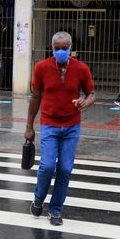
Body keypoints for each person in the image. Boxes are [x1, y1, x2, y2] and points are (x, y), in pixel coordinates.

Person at [25, 31, 95, 226]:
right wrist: (29, 126)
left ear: (71, 48)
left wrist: (85, 102)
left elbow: (92, 94)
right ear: (52, 48)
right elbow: (35, 97)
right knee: (47, 166)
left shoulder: (81, 69)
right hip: (49, 125)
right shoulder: (41, 68)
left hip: (72, 126)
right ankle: (39, 198)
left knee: (65, 168)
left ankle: (56, 209)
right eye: (57, 48)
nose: (61, 51)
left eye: (65, 48)